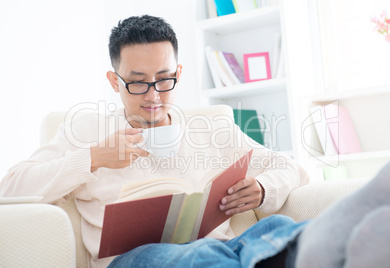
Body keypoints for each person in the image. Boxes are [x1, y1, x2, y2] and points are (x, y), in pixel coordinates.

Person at [0, 15, 309, 268]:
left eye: (164, 79)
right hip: (136, 259)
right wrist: (92, 158)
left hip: (219, 250)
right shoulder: (85, 130)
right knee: (205, 255)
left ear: (178, 72)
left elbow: (290, 168)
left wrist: (264, 188)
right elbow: (11, 189)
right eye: (137, 82)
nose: (153, 96)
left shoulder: (213, 128)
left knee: (281, 231)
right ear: (114, 81)